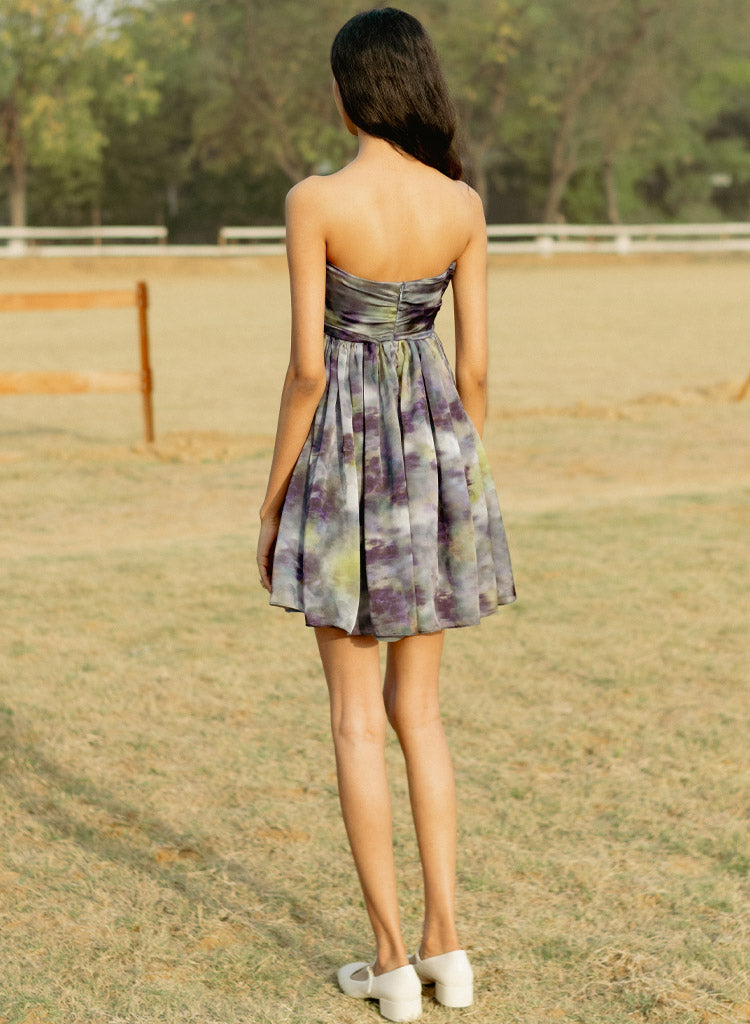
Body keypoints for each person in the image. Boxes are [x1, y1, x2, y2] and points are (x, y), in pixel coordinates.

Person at [256, 8, 515, 1021]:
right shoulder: (462, 204)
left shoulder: (315, 199)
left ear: (347, 89)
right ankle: (450, 949)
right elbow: (476, 369)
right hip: (438, 463)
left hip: (342, 470)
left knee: (356, 721)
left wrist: (275, 499)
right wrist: (456, 482)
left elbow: (307, 369)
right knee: (423, 716)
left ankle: (391, 961)